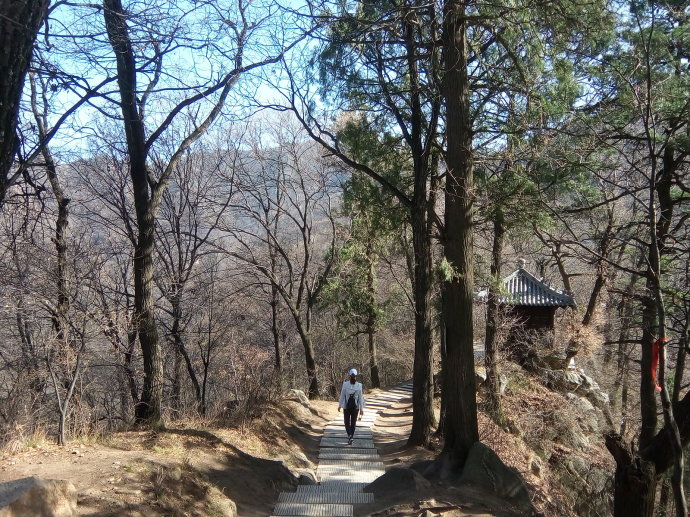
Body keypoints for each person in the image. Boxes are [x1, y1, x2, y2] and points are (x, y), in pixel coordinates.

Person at [338, 368, 365, 445]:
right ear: (356, 376)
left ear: (349, 376)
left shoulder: (345, 384)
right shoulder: (359, 386)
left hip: (347, 407)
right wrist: (361, 409)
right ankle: (351, 436)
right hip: (355, 408)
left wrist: (340, 405)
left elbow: (342, 395)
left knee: (346, 422)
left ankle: (350, 436)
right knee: (353, 423)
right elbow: (360, 398)